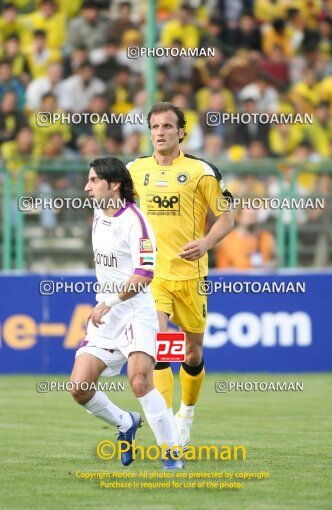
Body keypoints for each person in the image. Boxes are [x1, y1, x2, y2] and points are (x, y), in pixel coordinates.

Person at [127, 102, 234, 450]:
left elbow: (227, 218)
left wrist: (205, 243)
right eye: (154, 127)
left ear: (181, 132)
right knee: (160, 346)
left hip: (191, 276)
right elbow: (120, 210)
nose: (159, 133)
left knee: (192, 353)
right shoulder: (134, 170)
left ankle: (186, 413)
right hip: (153, 277)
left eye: (167, 127)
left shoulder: (201, 171)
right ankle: (167, 429)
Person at [69, 157, 183, 469]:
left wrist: (111, 301)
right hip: (107, 317)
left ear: (114, 184)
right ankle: (125, 422)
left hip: (134, 312)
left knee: (138, 380)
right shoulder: (98, 211)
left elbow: (144, 274)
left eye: (93, 180)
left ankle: (171, 453)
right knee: (79, 388)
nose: (87, 187)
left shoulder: (137, 223)